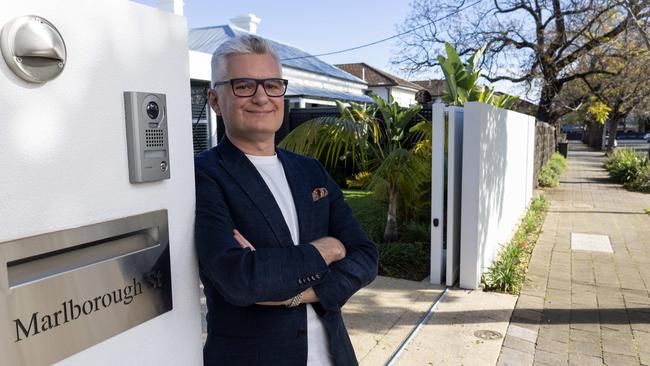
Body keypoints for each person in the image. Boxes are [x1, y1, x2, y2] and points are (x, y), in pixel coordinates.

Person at [194, 34, 378, 366]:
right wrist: (328, 249)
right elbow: (240, 280)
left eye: (272, 84)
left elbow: (365, 255)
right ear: (214, 100)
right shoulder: (203, 175)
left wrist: (301, 292)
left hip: (336, 356)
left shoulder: (310, 171)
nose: (262, 97)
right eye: (244, 85)